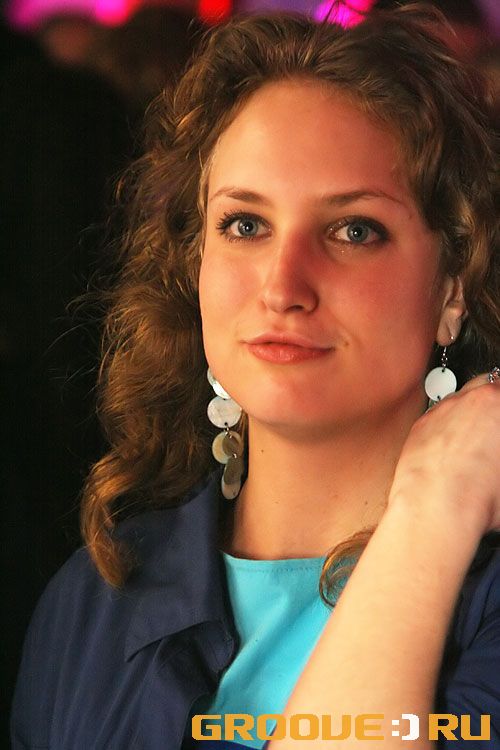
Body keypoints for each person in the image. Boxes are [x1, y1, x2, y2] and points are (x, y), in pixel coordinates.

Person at [10, 3, 500, 749]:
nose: (283, 285)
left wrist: (436, 505)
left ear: (451, 290)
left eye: (354, 230)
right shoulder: (95, 599)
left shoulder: (486, 603)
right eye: (245, 225)